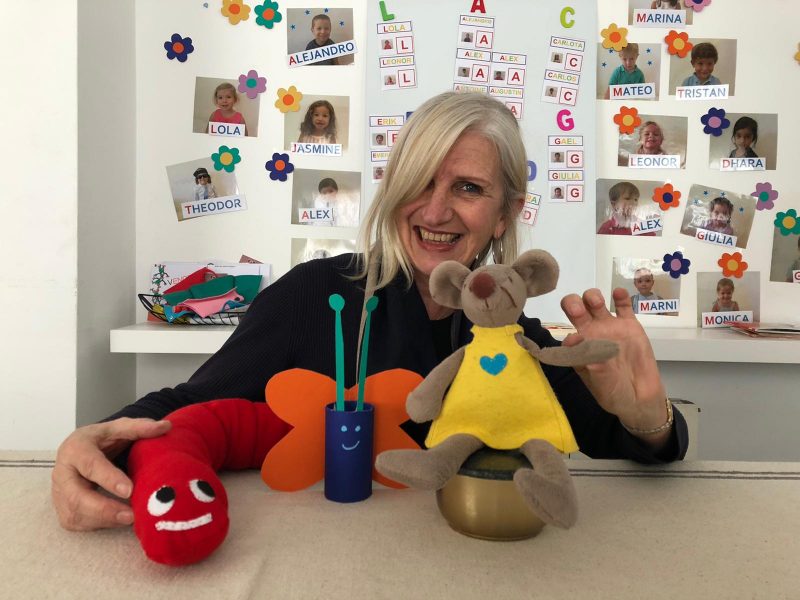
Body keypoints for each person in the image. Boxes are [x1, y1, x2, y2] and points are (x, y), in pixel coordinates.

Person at [52, 92, 688, 532]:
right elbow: (194, 403)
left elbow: (626, 443)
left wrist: (647, 418)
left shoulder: (513, 336)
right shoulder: (316, 294)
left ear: (505, 215)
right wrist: (93, 440)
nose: (434, 211)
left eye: (467, 188)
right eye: (420, 180)